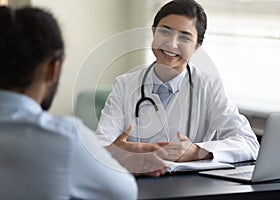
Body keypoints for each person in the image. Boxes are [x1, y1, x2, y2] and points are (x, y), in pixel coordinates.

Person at [0, 6, 166, 200]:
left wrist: (103, 154)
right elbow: (125, 192)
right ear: (53, 69)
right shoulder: (64, 138)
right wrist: (108, 160)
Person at [96, 0, 260, 163]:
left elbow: (248, 143)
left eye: (184, 37)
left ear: (197, 46)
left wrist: (197, 151)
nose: (172, 44)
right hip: (137, 182)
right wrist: (117, 150)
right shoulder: (125, 85)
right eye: (165, 32)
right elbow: (101, 143)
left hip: (189, 186)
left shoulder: (208, 87)